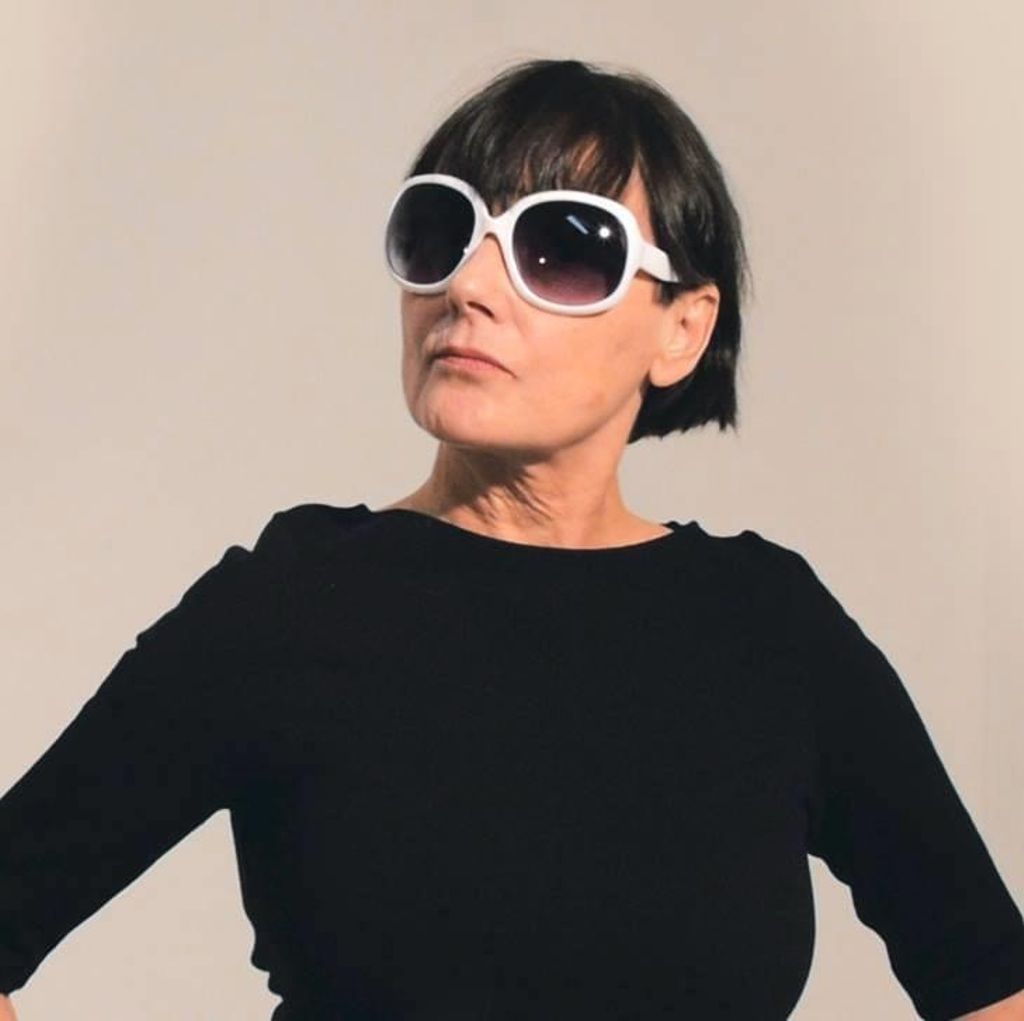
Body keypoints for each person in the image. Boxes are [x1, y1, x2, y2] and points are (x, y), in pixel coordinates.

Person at [1, 57, 1023, 1021]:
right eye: (440, 232)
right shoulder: (289, 606)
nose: (470, 287)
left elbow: (986, 977)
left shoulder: (771, 627)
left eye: (563, 248)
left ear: (682, 328)